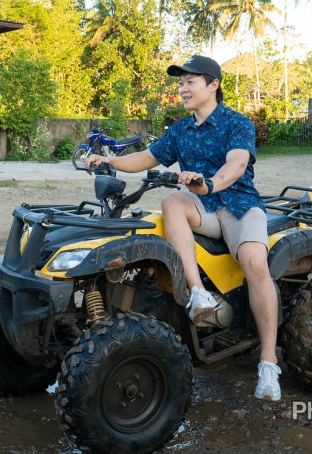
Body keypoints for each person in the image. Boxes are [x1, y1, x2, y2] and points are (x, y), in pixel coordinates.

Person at [86, 55, 282, 401]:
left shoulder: (238, 123)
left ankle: (268, 361)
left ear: (213, 85)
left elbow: (236, 164)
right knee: (172, 201)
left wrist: (210, 183)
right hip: (201, 207)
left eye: (190, 82)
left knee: (254, 263)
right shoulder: (180, 130)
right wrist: (109, 160)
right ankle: (197, 294)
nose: (182, 89)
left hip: (238, 205)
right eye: (180, 83)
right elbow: (145, 158)